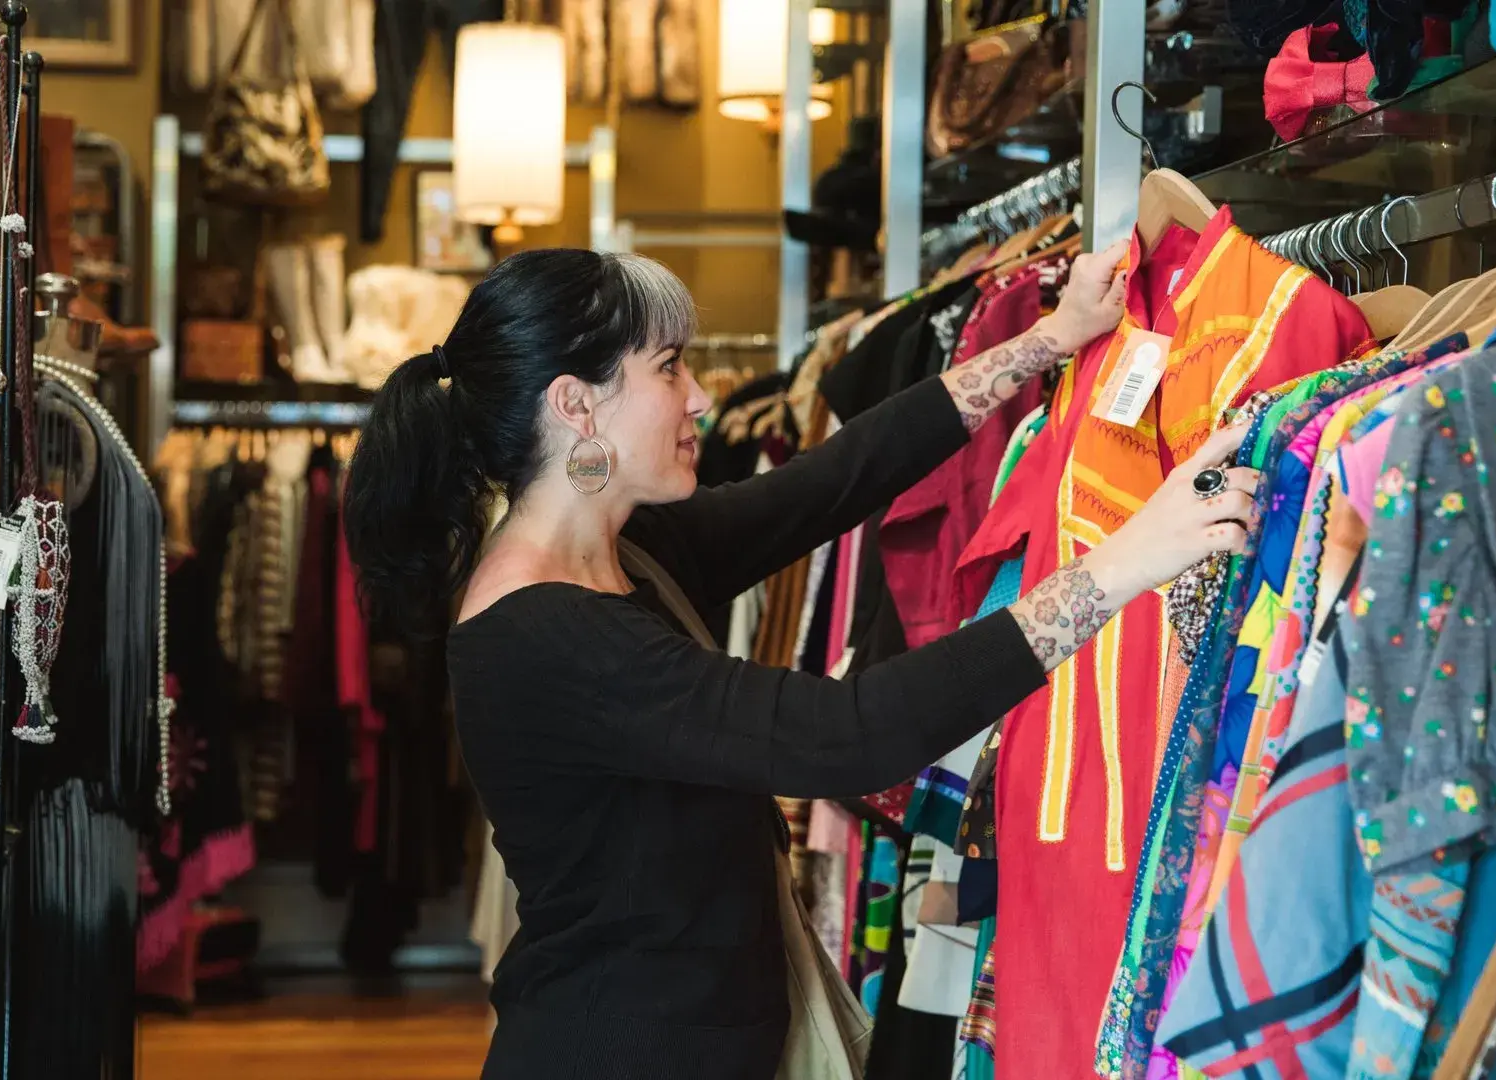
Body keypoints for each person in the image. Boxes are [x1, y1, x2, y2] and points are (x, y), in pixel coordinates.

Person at [344, 248, 1257, 1080]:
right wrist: (1129, 561)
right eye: (668, 369)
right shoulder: (543, 637)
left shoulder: (629, 547)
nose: (701, 397)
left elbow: (833, 481)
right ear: (574, 404)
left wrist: (1049, 340)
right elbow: (848, 736)